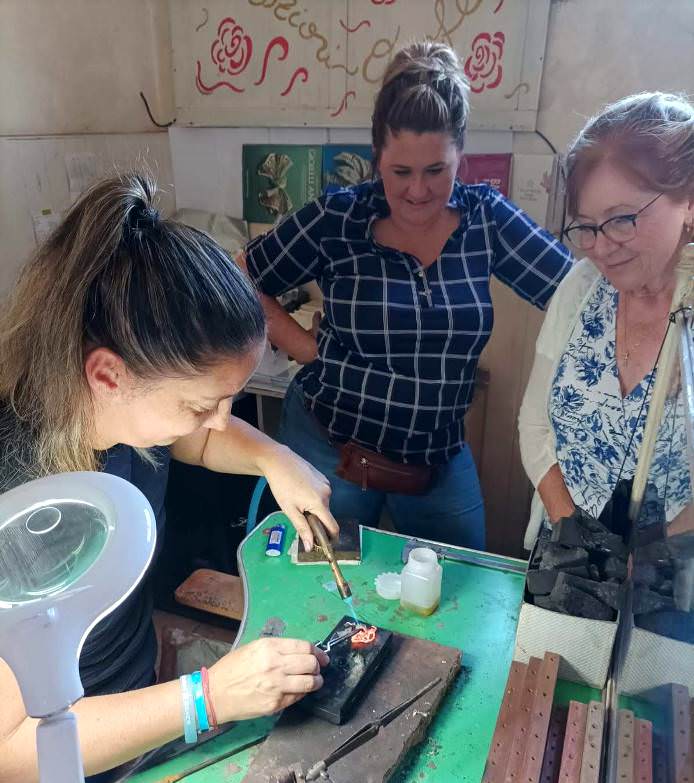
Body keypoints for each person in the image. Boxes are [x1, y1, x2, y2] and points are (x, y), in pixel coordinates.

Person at [0, 173, 338, 783]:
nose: (218, 421)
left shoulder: (118, 419)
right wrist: (206, 698)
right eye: (199, 404)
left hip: (135, 720)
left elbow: (194, 440)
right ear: (107, 375)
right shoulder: (22, 506)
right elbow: (10, 749)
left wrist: (276, 458)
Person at [242, 41, 573, 552]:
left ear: (460, 156)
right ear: (377, 158)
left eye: (436, 170)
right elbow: (239, 276)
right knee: (319, 587)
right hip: (329, 450)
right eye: (401, 172)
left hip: (435, 461)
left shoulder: (486, 219)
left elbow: (578, 294)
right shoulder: (339, 218)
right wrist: (305, 347)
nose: (418, 191)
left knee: (463, 581)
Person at [519, 92, 694, 549]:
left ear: (689, 201)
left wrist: (644, 558)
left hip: (669, 573)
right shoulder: (581, 288)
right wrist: (572, 534)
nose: (601, 247)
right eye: (586, 226)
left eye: (621, 220)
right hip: (564, 553)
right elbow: (535, 426)